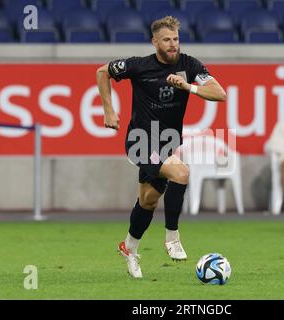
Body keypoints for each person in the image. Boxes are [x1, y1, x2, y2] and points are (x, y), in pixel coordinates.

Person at [96, 16, 226, 278]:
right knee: (182, 173)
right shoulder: (139, 66)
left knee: (148, 201)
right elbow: (102, 72)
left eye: (176, 39)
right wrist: (109, 110)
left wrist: (188, 86)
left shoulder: (189, 64)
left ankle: (129, 248)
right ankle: (172, 237)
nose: (173, 44)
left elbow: (219, 93)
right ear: (154, 41)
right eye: (166, 40)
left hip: (167, 142)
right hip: (141, 141)